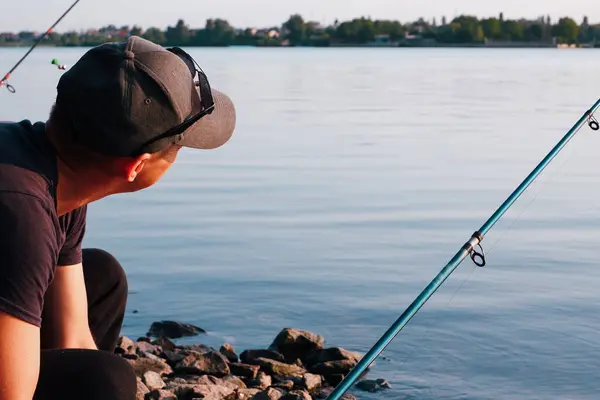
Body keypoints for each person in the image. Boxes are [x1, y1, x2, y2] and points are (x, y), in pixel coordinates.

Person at [0, 36, 236, 400]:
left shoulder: (51, 169)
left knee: (103, 277)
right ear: (137, 165)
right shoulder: (20, 214)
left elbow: (74, 338)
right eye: (178, 147)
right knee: (104, 380)